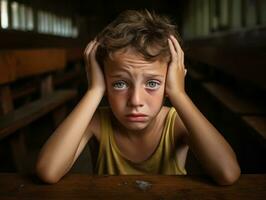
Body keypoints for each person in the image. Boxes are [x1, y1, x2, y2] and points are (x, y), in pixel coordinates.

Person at [36, 10, 241, 185]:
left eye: (152, 84)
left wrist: (179, 94)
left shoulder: (175, 122)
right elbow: (48, 171)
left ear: (171, 82)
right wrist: (94, 91)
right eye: (120, 84)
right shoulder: (97, 122)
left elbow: (227, 173)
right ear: (104, 83)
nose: (135, 101)